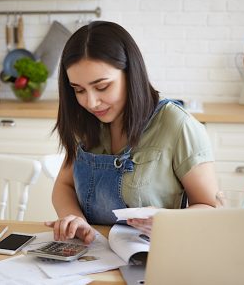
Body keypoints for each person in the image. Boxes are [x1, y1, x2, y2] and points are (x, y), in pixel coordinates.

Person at [45, 21, 219, 244]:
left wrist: (168, 221)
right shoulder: (85, 122)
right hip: (91, 257)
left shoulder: (177, 125)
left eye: (102, 87)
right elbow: (63, 185)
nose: (91, 102)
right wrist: (75, 220)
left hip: (154, 256)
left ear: (131, 73)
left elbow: (210, 208)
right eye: (78, 90)